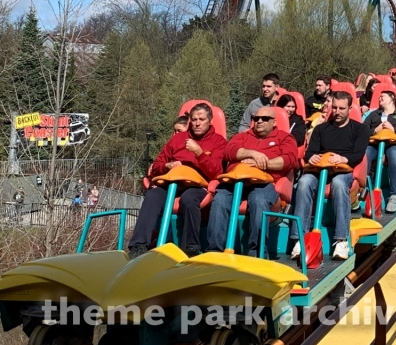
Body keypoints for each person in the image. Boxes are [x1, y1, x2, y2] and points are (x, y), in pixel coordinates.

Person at [128, 103, 227, 258]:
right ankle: (139, 245)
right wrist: (168, 166)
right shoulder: (178, 139)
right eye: (194, 119)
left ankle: (191, 246)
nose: (197, 123)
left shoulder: (218, 142)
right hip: (172, 181)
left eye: (201, 119)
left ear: (210, 120)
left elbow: (217, 171)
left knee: (189, 199)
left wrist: (199, 153)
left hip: (198, 184)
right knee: (153, 194)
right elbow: (157, 165)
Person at [288, 91, 370, 261]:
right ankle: (299, 238)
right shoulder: (321, 129)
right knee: (303, 183)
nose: (338, 112)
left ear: (349, 109)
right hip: (320, 170)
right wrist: (312, 157)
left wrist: (343, 158)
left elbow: (359, 154)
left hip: (343, 170)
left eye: (342, 108)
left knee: (339, 184)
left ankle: (341, 239)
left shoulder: (359, 129)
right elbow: (309, 153)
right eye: (335, 108)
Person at [207, 106, 298, 254]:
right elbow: (228, 151)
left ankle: (258, 251)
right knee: (220, 199)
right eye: (256, 119)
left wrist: (263, 163)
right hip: (235, 181)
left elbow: (290, 160)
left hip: (263, 183)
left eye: (265, 119)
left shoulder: (284, 138)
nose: (259, 121)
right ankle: (215, 251)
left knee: (258, 199)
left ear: (274, 122)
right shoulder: (243, 136)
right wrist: (252, 153)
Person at [363, 89, 396, 214]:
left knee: (393, 154)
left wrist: (394, 130)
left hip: (395, 144)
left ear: (392, 98)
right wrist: (374, 130)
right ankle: (363, 190)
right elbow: (361, 132)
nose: (379, 98)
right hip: (375, 145)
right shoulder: (374, 115)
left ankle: (393, 195)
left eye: (382, 96)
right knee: (365, 154)